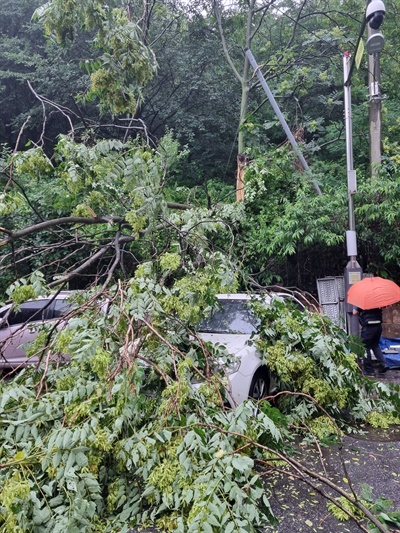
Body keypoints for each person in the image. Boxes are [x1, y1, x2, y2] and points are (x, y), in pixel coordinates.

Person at [353, 306, 389, 375]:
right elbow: (384, 307)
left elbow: (354, 312)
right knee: (375, 345)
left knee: (365, 347)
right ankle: (383, 364)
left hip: (368, 327)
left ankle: (369, 370)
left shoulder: (362, 300)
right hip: (378, 326)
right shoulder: (377, 299)